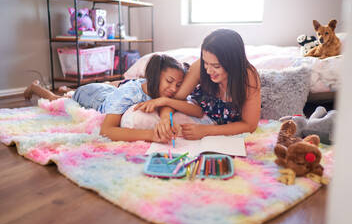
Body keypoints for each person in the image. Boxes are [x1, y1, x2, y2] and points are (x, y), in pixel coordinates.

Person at [23, 54, 192, 143]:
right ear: (154, 77)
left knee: (104, 88)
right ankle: (35, 87)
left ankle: (68, 89)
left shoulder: (161, 92)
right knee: (58, 100)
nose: (174, 89)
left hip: (109, 91)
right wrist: (150, 135)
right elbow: (107, 130)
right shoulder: (128, 95)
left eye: (178, 85)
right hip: (93, 96)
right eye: (169, 82)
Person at [135, 29, 261, 140]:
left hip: (214, 125)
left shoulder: (248, 78)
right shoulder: (200, 67)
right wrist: (165, 119)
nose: (209, 71)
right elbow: (175, 99)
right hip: (196, 112)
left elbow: (249, 125)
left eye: (216, 66)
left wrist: (206, 131)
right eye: (206, 63)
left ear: (233, 63)